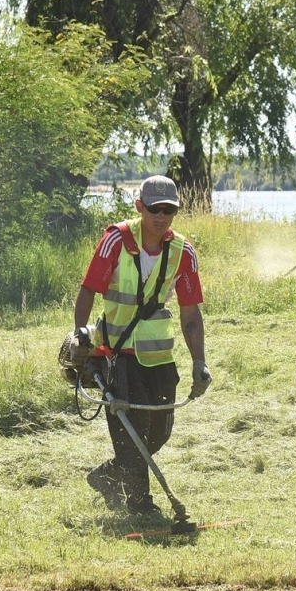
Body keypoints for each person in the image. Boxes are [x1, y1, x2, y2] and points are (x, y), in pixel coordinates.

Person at [73, 174, 211, 516]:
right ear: (140, 206)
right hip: (118, 355)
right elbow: (89, 288)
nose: (161, 216)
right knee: (131, 432)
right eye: (154, 209)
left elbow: (191, 313)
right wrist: (80, 334)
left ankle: (108, 476)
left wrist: (199, 363)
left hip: (160, 357)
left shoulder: (183, 251)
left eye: (169, 210)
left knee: (158, 433)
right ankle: (141, 506)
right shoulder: (115, 241)